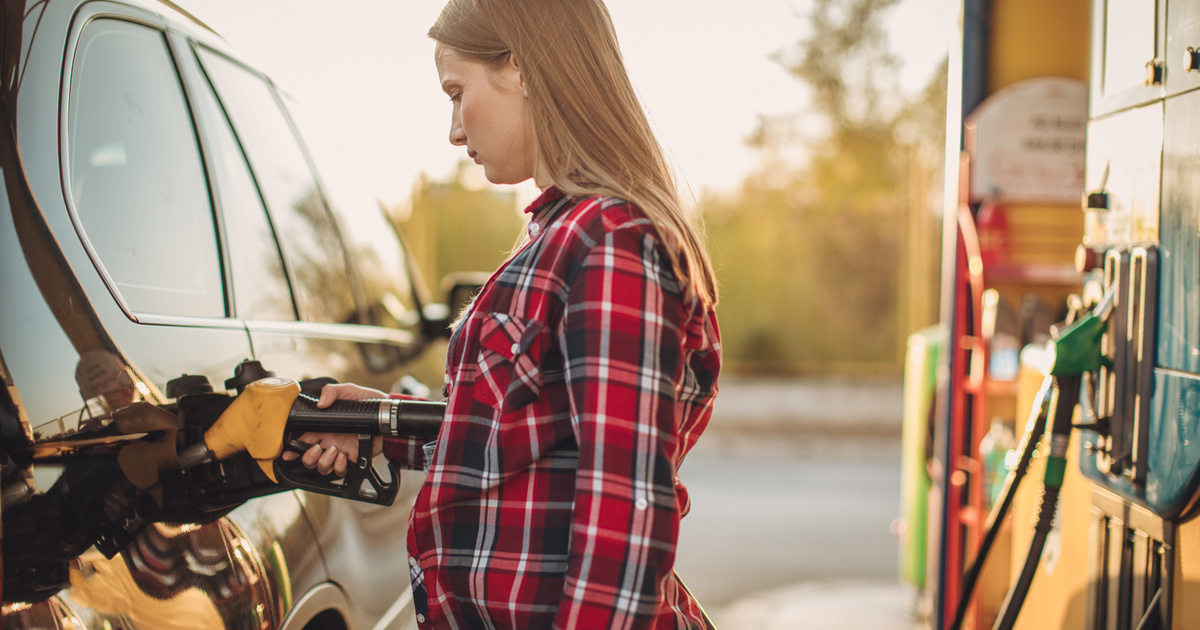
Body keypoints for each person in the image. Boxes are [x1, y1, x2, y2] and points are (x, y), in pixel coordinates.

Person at [283, 0, 721, 627]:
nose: (454, 130)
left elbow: (623, 514)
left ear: (520, 67)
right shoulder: (557, 235)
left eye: (458, 92)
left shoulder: (611, 242)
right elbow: (525, 440)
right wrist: (376, 422)